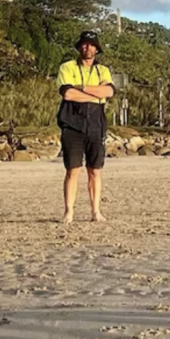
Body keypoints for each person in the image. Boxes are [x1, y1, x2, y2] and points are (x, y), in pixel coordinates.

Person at [56, 30, 115, 223]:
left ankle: (96, 211)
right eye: (83, 44)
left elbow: (109, 91)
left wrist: (81, 88)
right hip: (72, 123)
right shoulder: (67, 67)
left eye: (91, 44)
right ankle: (68, 212)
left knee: (95, 169)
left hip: (96, 124)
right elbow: (67, 94)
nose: (87, 47)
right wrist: (95, 95)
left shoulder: (103, 70)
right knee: (73, 170)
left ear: (96, 49)